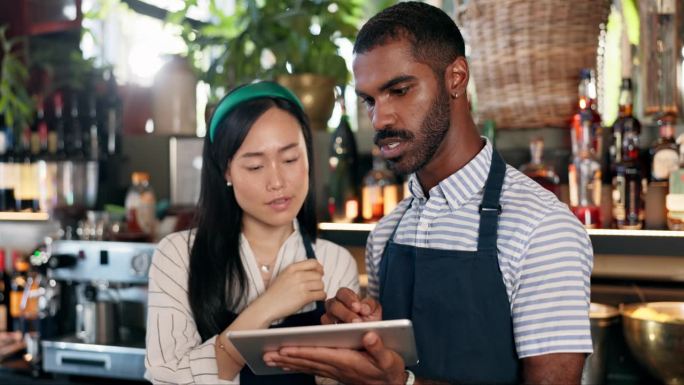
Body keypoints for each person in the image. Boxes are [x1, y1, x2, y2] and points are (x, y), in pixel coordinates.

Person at [264, 2, 594, 384]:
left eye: (399, 90)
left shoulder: (542, 230)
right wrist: (362, 339)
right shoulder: (387, 234)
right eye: (369, 100)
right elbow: (391, 363)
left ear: (456, 78)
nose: (379, 119)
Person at [145, 81, 360, 385]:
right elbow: (169, 378)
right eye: (256, 166)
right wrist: (269, 305)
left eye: (290, 159)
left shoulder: (335, 263)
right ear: (226, 171)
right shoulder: (179, 256)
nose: (277, 181)